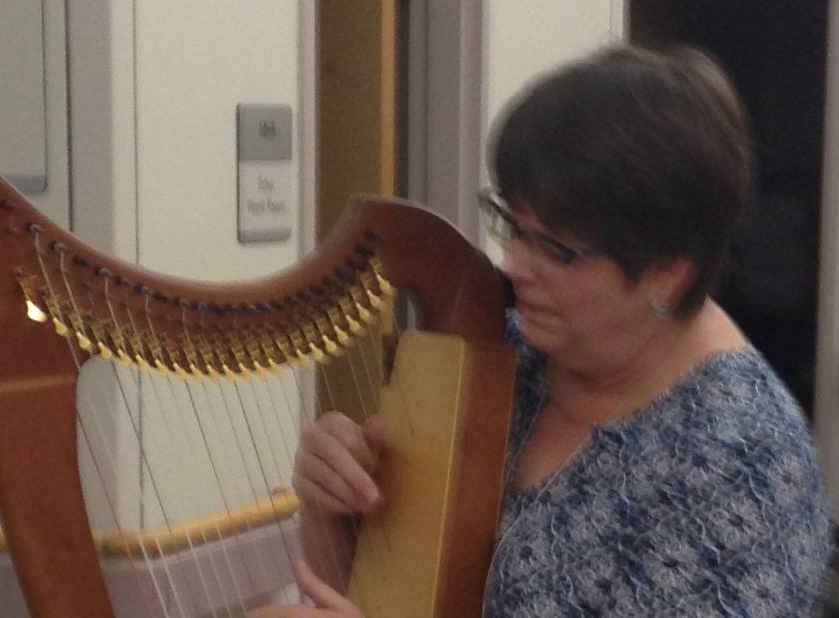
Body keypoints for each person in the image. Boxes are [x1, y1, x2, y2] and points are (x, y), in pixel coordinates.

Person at [250, 45, 832, 617]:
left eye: (553, 248)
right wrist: (329, 503)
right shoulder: (503, 347)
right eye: (513, 225)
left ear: (665, 275)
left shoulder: (741, 465)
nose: (511, 265)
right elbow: (365, 590)